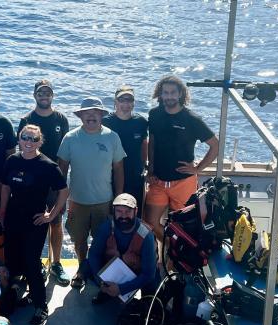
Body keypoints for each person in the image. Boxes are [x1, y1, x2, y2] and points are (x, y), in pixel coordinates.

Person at [0, 124, 69, 325]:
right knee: (13, 262)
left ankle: (41, 306)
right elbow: (5, 187)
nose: (28, 142)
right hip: (13, 219)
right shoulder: (12, 160)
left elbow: (64, 192)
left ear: (40, 142)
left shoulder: (47, 165)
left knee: (32, 262)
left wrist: (51, 215)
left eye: (33, 139)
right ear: (19, 139)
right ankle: (20, 297)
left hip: (35, 222)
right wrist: (2, 214)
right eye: (25, 138)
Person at [57, 97, 125, 288]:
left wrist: (118, 199)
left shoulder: (112, 137)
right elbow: (61, 171)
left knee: (103, 241)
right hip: (77, 201)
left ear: (102, 115)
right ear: (80, 116)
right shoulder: (69, 138)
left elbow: (119, 169)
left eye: (95, 112)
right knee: (79, 241)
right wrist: (60, 201)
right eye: (86, 113)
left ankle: (98, 271)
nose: (91, 116)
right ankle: (81, 268)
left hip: (104, 201)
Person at [145, 75, 219, 241]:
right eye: (166, 93)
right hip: (158, 182)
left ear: (180, 94)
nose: (169, 96)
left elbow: (216, 145)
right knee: (149, 222)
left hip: (184, 183)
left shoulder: (192, 119)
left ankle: (175, 260)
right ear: (160, 94)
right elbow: (152, 141)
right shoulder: (155, 114)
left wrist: (198, 168)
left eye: (173, 93)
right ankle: (170, 250)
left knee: (183, 226)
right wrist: (150, 167)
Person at [18, 79, 72, 286]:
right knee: (33, 222)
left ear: (52, 96)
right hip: (30, 183)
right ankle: (34, 262)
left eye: (48, 93)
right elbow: (21, 150)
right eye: (40, 93)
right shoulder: (26, 119)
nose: (44, 96)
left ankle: (56, 263)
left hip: (54, 181)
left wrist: (60, 183)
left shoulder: (61, 119)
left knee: (56, 222)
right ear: (34, 95)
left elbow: (65, 153)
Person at [87, 193, 158, 304]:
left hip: (138, 271)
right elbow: (93, 255)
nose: (123, 216)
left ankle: (145, 301)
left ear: (136, 211)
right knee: (86, 266)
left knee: (152, 285)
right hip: (114, 270)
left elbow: (148, 274)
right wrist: (101, 282)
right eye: (119, 211)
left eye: (128, 211)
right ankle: (107, 290)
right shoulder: (106, 227)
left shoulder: (146, 235)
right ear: (113, 211)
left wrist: (121, 289)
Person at [102, 85, 149, 209]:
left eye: (129, 100)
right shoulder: (105, 122)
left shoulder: (141, 122)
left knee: (133, 211)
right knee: (111, 212)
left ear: (133, 103)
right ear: (115, 102)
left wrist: (144, 166)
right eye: (122, 100)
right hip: (110, 174)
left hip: (134, 175)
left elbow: (144, 144)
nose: (126, 104)